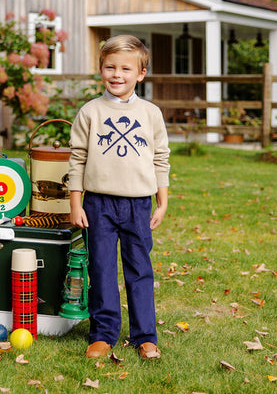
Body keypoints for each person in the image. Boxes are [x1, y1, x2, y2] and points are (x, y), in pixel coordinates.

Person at [67, 34, 170, 360]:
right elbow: (77, 158)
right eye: (110, 67)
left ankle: (145, 336)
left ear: (140, 74)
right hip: (98, 203)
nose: (117, 74)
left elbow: (160, 158)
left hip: (138, 203)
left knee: (139, 269)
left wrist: (162, 200)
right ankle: (103, 333)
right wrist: (75, 201)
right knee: (101, 269)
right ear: (101, 70)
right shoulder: (90, 112)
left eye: (126, 68)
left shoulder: (150, 113)